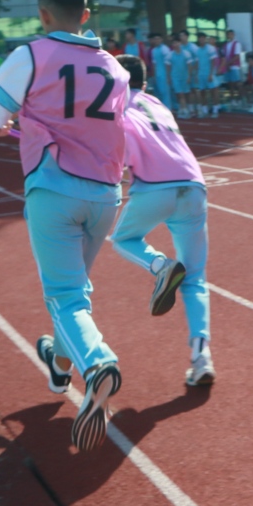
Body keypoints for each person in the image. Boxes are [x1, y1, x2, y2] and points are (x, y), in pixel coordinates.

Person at [0, 0, 130, 452]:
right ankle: (60, 366)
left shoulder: (32, 54)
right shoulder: (116, 68)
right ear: (86, 15)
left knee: (65, 297)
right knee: (74, 292)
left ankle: (97, 363)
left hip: (55, 188)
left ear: (43, 14)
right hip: (105, 195)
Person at [109, 54, 214, 386]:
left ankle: (160, 266)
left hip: (155, 187)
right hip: (194, 185)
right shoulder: (157, 103)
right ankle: (202, 358)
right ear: (143, 82)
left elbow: (122, 155)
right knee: (195, 278)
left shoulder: (116, 106)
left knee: (123, 239)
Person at [167, 37, 193, 118]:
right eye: (174, 43)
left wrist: (189, 76)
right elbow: (168, 67)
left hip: (185, 77)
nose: (176, 44)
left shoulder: (186, 53)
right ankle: (184, 111)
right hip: (175, 77)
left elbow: (189, 66)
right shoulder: (170, 55)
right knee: (179, 94)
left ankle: (184, 109)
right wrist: (169, 77)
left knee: (185, 94)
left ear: (180, 43)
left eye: (177, 42)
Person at [219, 29, 243, 109]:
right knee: (230, 84)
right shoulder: (225, 45)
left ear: (233, 35)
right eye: (228, 34)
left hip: (235, 66)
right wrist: (225, 65)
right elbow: (223, 56)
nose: (229, 35)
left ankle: (240, 100)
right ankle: (232, 100)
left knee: (237, 84)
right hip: (227, 67)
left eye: (231, 34)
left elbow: (237, 56)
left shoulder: (237, 44)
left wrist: (228, 64)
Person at [148, 33, 173, 108]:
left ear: (161, 40)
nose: (157, 40)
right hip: (158, 75)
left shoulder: (165, 49)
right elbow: (154, 64)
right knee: (159, 92)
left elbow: (168, 63)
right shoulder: (154, 50)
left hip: (164, 74)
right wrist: (154, 75)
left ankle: (168, 108)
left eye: (158, 39)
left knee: (165, 92)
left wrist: (168, 75)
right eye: (155, 39)